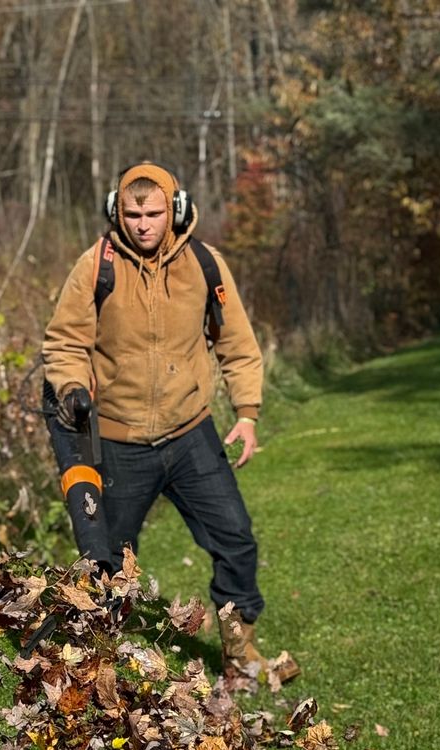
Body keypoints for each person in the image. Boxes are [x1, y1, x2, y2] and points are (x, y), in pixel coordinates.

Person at [42, 161, 298, 686]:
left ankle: (240, 659)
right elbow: (64, 342)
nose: (142, 224)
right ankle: (96, 669)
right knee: (106, 563)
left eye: (153, 213)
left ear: (175, 210)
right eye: (132, 213)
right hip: (117, 439)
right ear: (117, 211)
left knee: (237, 540)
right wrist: (71, 388)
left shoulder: (205, 264)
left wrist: (247, 414)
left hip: (190, 435)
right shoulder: (96, 266)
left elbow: (239, 346)